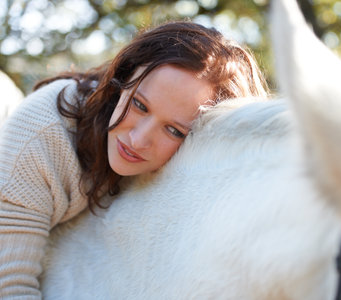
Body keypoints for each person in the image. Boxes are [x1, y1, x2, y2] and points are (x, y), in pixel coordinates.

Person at [0, 21, 269, 298]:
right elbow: (9, 287)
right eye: (139, 105)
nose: (139, 140)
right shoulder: (42, 135)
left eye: (173, 130)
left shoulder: (190, 171)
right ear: (122, 81)